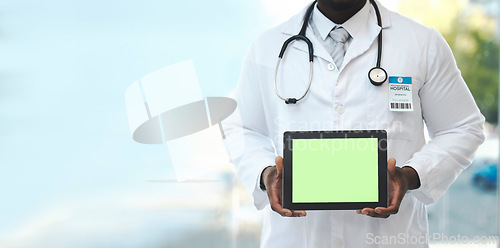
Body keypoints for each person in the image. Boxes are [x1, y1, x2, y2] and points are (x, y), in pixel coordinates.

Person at [223, 0, 485, 247]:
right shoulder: (266, 48)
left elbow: (462, 127)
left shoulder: (422, 43)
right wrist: (264, 173)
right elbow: (242, 128)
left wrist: (412, 175)